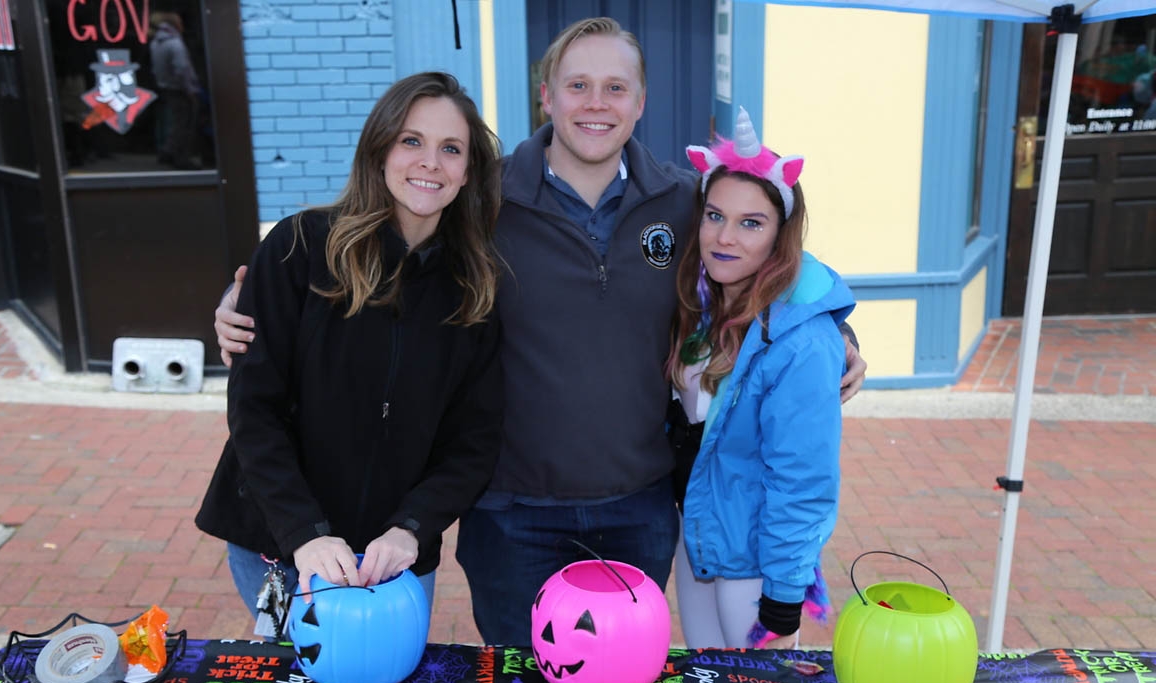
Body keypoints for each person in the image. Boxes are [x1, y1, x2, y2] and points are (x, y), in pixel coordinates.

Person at [215, 18, 867, 646]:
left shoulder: (684, 200)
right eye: (577, 84)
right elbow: (382, 251)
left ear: (641, 102)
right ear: (546, 96)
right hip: (511, 516)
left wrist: (835, 333)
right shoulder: (482, 201)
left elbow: (768, 252)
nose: (596, 103)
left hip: (638, 507)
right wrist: (241, 303)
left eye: (615, 87)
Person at [195, 72, 504, 627]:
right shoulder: (298, 247)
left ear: (468, 170)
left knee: (390, 680)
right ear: (379, 148)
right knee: (300, 680)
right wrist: (304, 534)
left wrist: (412, 528)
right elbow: (254, 410)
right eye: (412, 140)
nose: (430, 162)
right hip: (283, 546)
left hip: (395, 560)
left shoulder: (475, 287)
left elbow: (474, 440)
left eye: (451, 149)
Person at [670, 110, 851, 650]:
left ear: (779, 234)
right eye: (714, 216)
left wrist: (784, 594)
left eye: (751, 223)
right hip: (697, 544)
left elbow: (803, 479)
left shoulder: (802, 342)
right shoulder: (697, 302)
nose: (725, 237)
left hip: (753, 568)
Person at [149, 12, 200, 169]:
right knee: (184, 124)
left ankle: (168, 151)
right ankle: (181, 157)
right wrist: (190, 89)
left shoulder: (156, 42)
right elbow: (182, 68)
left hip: (166, 87)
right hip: (180, 89)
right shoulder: (175, 43)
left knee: (175, 122)